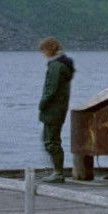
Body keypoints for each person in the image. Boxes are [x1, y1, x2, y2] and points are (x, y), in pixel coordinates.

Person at [37, 37, 75, 183]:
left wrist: (42, 104)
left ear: (50, 49)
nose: (43, 54)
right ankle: (57, 171)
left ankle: (58, 173)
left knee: (50, 141)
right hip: (60, 108)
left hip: (52, 109)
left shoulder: (56, 66)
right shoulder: (64, 65)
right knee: (53, 139)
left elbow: (50, 89)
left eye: (44, 50)